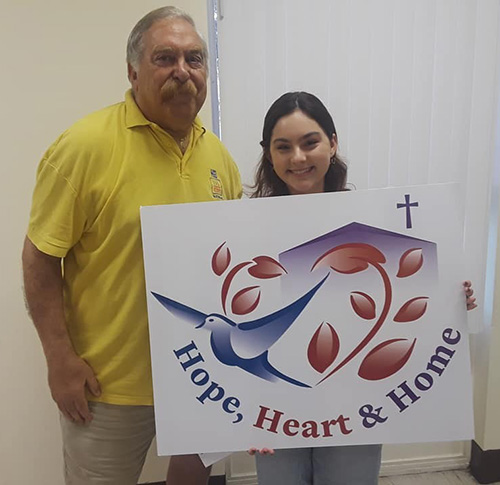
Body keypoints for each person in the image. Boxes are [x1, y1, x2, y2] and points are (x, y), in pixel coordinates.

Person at [22, 6, 241, 485]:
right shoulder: (84, 147)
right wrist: (59, 361)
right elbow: (40, 258)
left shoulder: (219, 158)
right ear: (133, 71)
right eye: (165, 58)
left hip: (202, 379)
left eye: (195, 59)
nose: (183, 72)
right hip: (109, 389)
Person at [248, 91, 477, 484]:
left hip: (356, 402)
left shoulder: (371, 224)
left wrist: (450, 299)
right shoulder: (245, 230)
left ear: (332, 144)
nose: (298, 158)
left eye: (310, 142)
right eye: (283, 147)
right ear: (269, 154)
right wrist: (230, 418)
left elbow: (405, 294)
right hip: (277, 403)